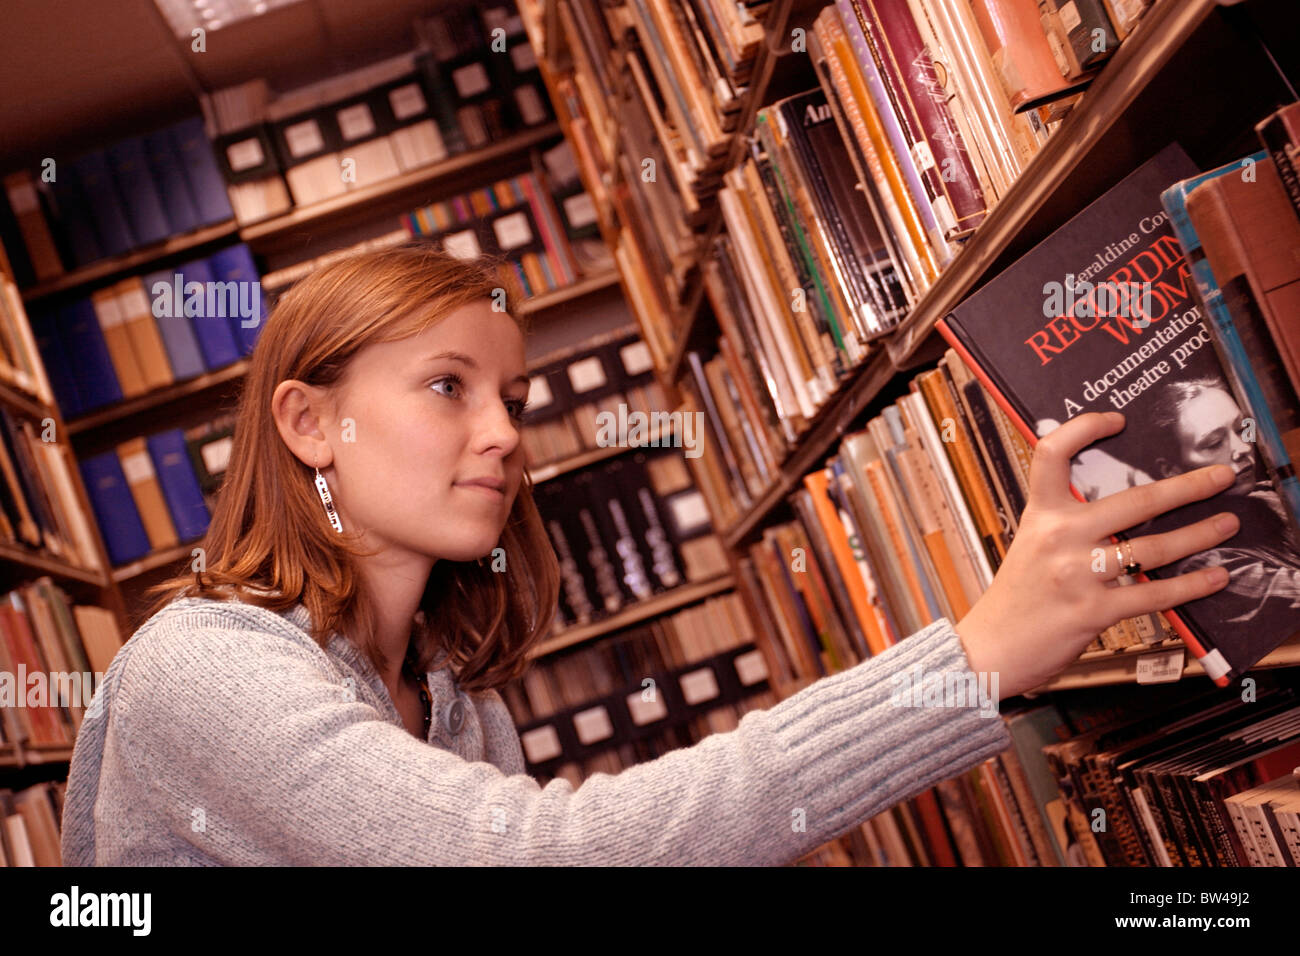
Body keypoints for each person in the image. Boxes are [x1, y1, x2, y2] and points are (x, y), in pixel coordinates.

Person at [60, 242, 1242, 866]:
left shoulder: (452, 704)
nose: (507, 433)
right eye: (445, 385)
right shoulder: (201, 666)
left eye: (511, 393)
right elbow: (535, 860)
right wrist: (972, 656)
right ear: (311, 423)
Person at [1139, 376, 1300, 650]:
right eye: (1214, 443)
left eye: (1242, 429)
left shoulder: (1265, 493)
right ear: (1171, 470)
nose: (1242, 449)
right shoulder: (1201, 563)